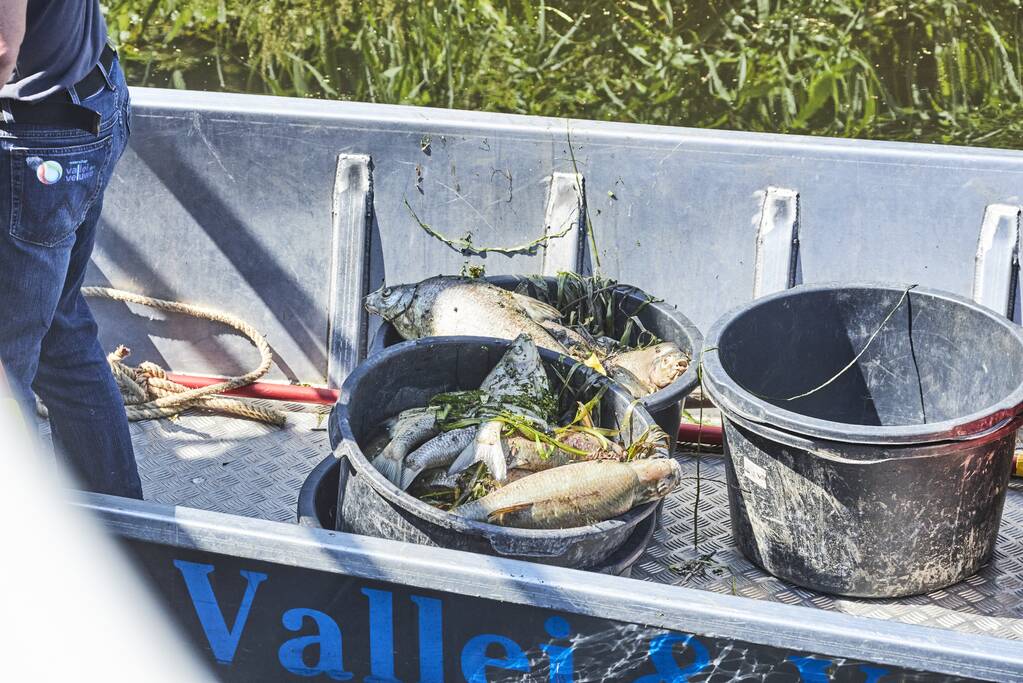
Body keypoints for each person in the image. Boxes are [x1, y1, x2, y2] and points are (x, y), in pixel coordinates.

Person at [0, 1, 142, 498]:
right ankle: (120, 522)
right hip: (92, 98)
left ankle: (19, 542)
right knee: (60, 329)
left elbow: (0, 49)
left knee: (5, 364)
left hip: (40, 143)